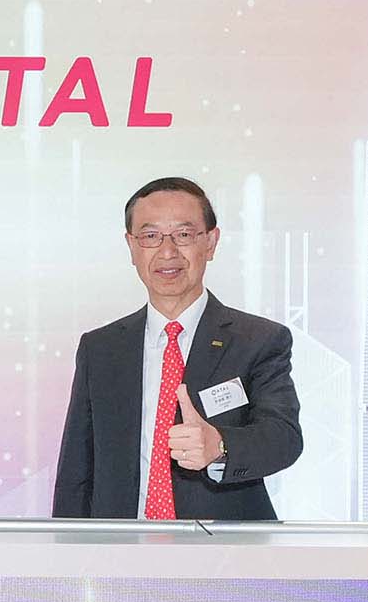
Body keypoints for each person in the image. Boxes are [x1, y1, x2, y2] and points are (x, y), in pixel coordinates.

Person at [52, 176, 302, 521]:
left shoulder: (258, 340)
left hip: (226, 554)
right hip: (119, 551)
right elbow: (76, 471)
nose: (167, 252)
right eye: (150, 236)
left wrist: (220, 445)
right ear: (132, 246)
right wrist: (68, 552)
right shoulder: (101, 348)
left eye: (183, 235)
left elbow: (283, 438)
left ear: (211, 242)